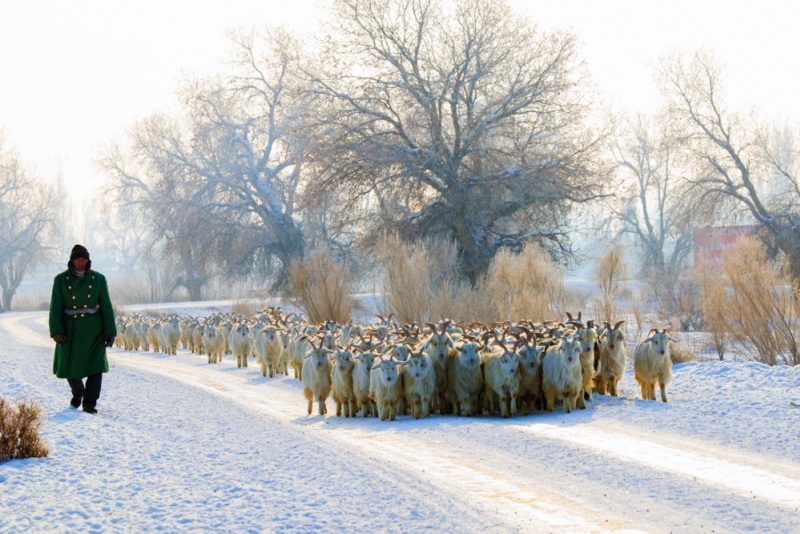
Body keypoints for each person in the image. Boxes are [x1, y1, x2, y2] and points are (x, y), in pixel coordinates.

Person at [49, 244, 117, 414]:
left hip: (94, 330)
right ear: (71, 261)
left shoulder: (98, 279)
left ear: (88, 261)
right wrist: (56, 330)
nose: (81, 262)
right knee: (69, 366)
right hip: (69, 329)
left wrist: (110, 330)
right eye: (78, 259)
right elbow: (55, 307)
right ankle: (78, 391)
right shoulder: (60, 280)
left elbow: (106, 306)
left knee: (96, 367)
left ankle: (89, 404)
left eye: (84, 259)